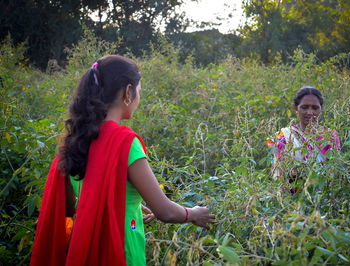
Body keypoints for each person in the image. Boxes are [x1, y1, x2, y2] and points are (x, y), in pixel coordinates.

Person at [30, 55, 216, 266]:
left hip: (84, 248)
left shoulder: (75, 140)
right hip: (121, 248)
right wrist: (194, 214)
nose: (139, 97)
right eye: (139, 91)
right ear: (128, 92)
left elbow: (71, 207)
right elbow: (165, 211)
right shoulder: (125, 143)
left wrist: (130, 205)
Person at [271, 86, 341, 182]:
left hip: (324, 194)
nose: (310, 112)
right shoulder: (284, 136)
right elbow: (278, 175)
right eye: (304, 107)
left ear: (321, 109)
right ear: (296, 108)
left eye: (315, 108)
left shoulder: (330, 136)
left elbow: (334, 173)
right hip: (292, 195)